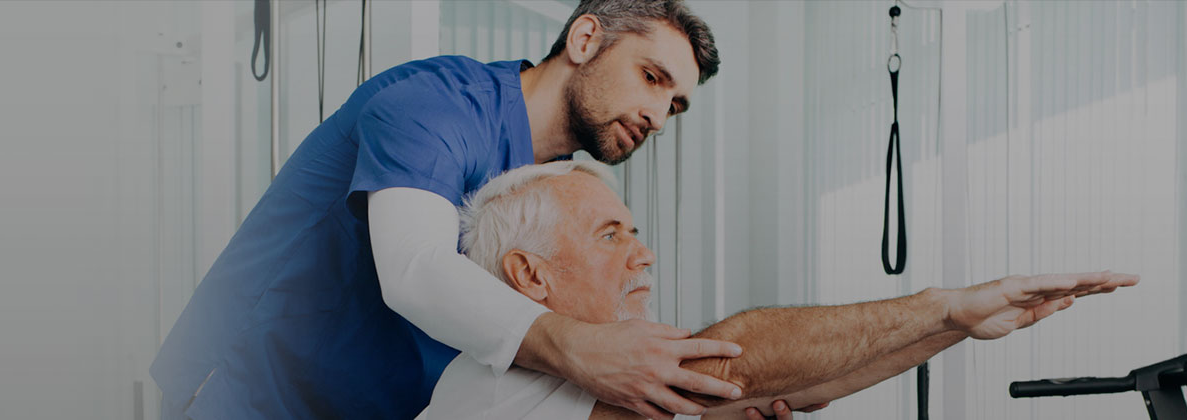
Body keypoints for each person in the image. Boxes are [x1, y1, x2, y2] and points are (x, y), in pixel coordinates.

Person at [154, 1, 757, 419]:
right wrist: (580, 350)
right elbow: (415, 268)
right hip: (248, 393)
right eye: (652, 77)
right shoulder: (436, 106)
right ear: (584, 39)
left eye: (674, 105)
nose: (658, 115)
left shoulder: (557, 184)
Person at [419, 160, 1139, 419]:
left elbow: (791, 386)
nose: (644, 256)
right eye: (611, 235)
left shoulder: (590, 382)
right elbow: (735, 368)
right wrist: (941, 305)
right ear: (530, 276)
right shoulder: (494, 382)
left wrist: (955, 327)